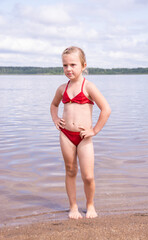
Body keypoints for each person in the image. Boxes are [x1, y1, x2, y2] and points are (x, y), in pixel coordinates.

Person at [50, 46, 111, 219]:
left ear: (83, 65)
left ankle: (90, 205)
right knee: (70, 170)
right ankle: (73, 207)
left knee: (88, 176)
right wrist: (55, 119)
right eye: (65, 65)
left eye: (73, 65)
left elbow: (106, 109)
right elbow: (54, 105)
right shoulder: (62, 89)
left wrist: (94, 130)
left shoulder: (89, 87)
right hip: (66, 135)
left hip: (84, 138)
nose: (68, 69)